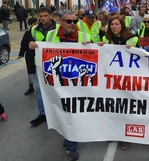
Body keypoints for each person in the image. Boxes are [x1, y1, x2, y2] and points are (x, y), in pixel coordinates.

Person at [45, 11, 91, 160]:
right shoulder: (51, 35)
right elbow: (43, 52)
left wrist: (94, 46)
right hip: (59, 83)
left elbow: (96, 53)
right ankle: (69, 141)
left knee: (75, 112)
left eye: (75, 22)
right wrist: (33, 46)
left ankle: (70, 143)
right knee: (65, 112)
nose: (72, 24)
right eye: (69, 21)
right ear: (61, 22)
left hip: (77, 83)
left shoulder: (85, 36)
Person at [98, 14, 138, 151]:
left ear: (122, 25)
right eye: (112, 25)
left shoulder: (132, 39)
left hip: (127, 81)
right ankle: (112, 132)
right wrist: (95, 46)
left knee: (125, 108)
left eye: (117, 24)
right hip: (111, 81)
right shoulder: (106, 40)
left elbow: (142, 58)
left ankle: (124, 137)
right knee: (111, 108)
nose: (114, 27)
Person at [28, 7, 59, 127]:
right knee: (39, 90)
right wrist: (30, 45)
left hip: (57, 64)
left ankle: (58, 113)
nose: (43, 18)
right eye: (41, 16)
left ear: (51, 16)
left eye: (45, 15)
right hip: (41, 65)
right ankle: (42, 114)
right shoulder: (34, 30)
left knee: (56, 89)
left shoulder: (59, 28)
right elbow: (30, 43)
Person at [18, 17, 38, 96]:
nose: (36, 25)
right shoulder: (27, 33)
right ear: (30, 25)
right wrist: (21, 54)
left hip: (39, 55)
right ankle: (31, 86)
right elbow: (23, 44)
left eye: (37, 23)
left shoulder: (41, 32)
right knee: (30, 71)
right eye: (34, 23)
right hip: (30, 55)